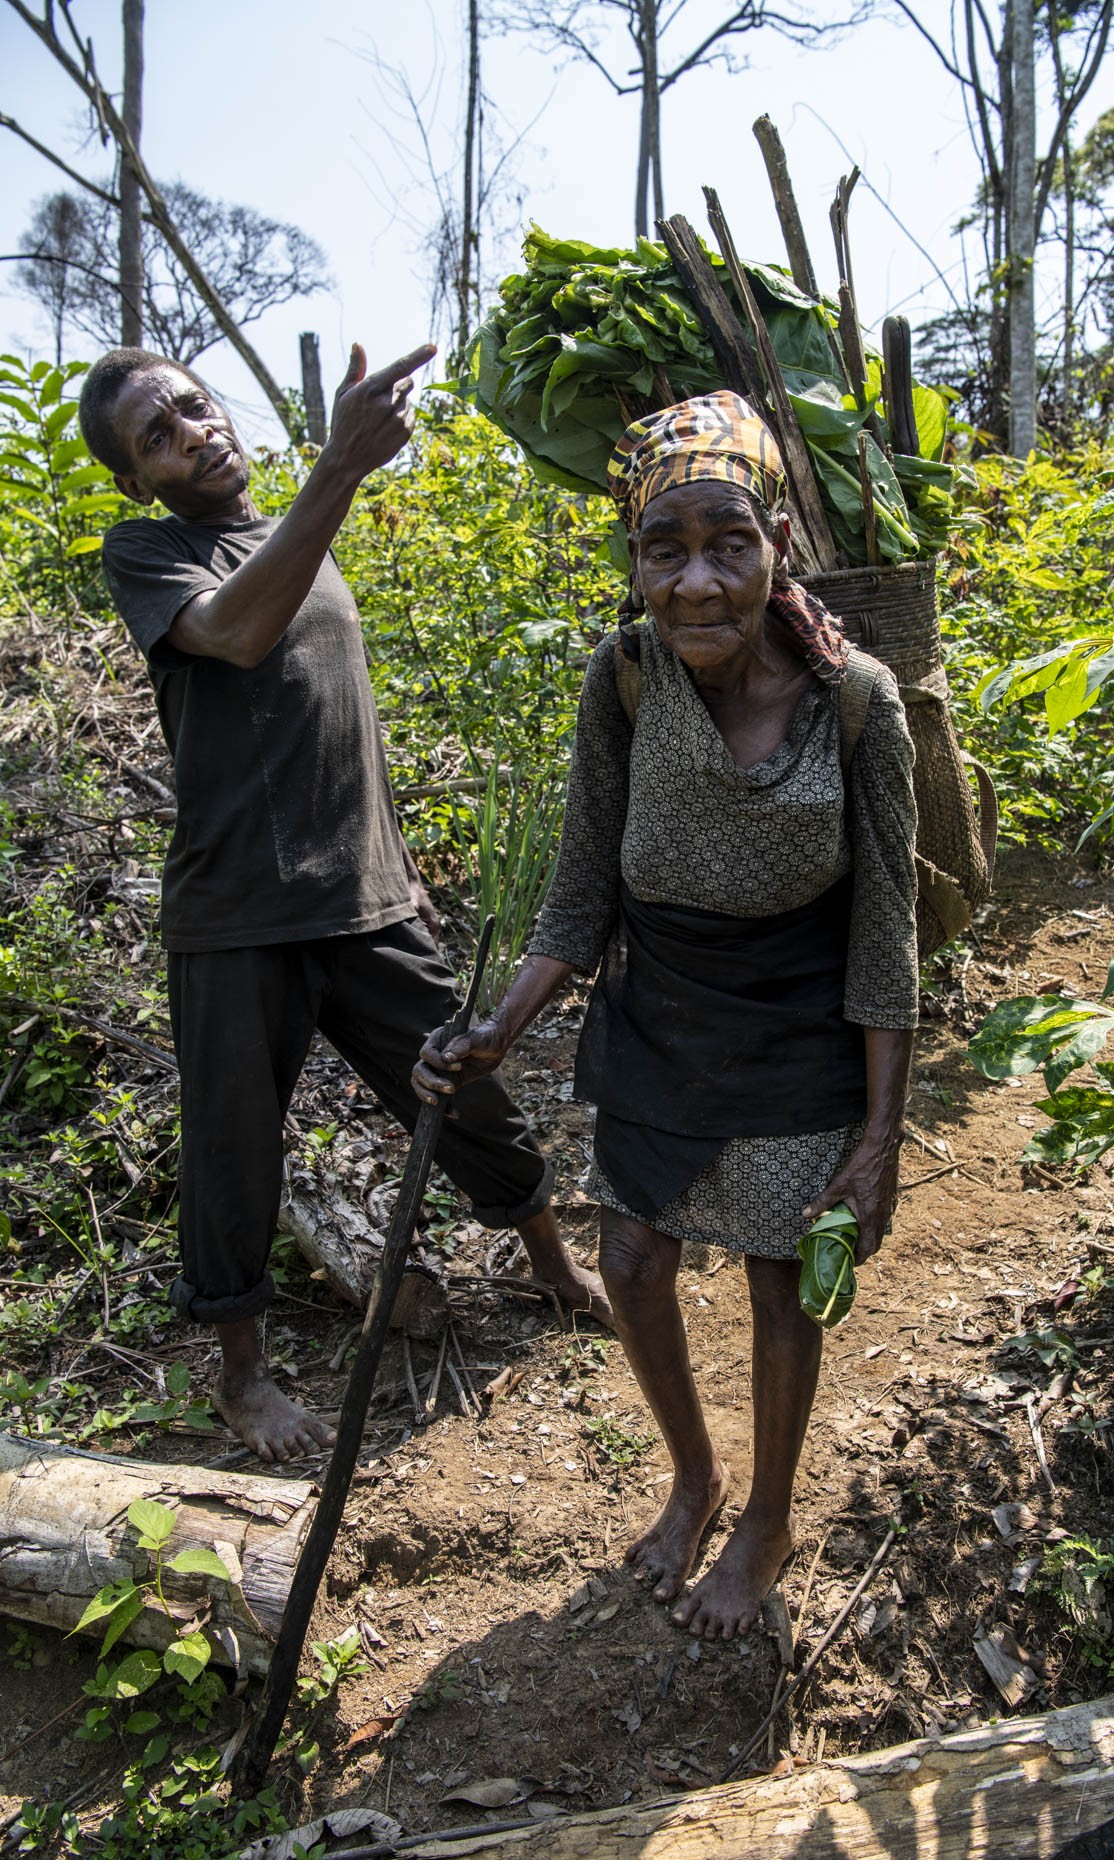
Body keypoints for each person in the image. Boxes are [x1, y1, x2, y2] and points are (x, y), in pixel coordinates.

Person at [414, 391, 918, 1638]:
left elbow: (885, 936)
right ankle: (693, 1477)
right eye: (664, 549)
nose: (696, 581)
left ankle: (769, 1517)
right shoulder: (627, 676)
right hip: (658, 1020)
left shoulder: (854, 704)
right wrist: (501, 1029)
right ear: (633, 561)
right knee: (633, 1262)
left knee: (774, 1283)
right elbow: (579, 892)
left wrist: (877, 1137)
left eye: (726, 543)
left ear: (778, 545)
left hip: (799, 1029)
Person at [80, 342, 609, 1465]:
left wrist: (398, 868)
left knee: (471, 1092)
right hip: (235, 920)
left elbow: (339, 727)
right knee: (235, 1151)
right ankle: (243, 1378)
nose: (192, 431)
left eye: (192, 405)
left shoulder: (302, 545)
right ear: (138, 479)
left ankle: (554, 1266)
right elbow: (232, 633)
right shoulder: (149, 551)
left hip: (364, 902)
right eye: (157, 437)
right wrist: (342, 470)